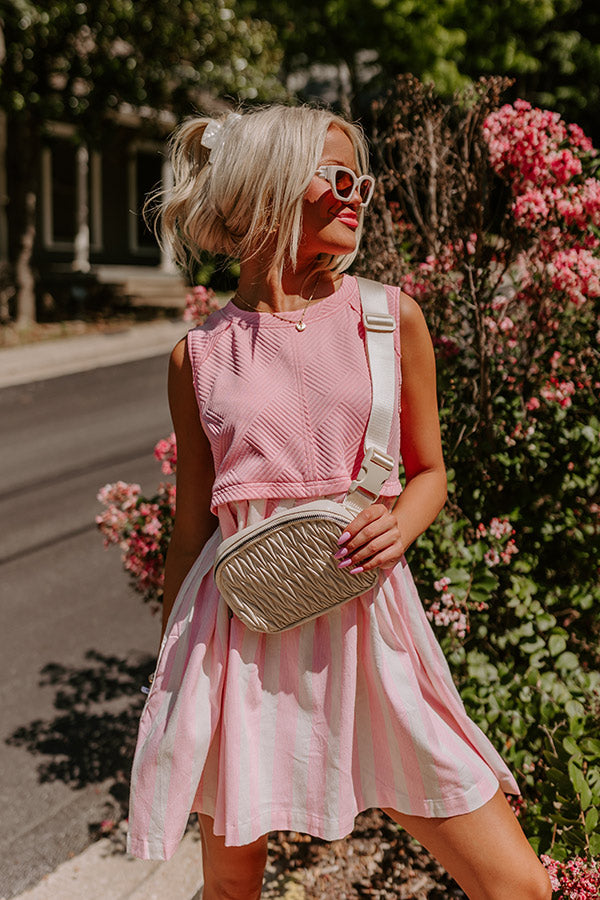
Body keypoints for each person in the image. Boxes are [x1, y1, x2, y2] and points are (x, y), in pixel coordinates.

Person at [127, 104, 552, 900]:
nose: (359, 195)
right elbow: (190, 531)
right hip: (238, 642)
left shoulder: (391, 319)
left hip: (371, 626)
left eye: (365, 180)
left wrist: (403, 523)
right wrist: (174, 677)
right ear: (269, 188)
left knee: (517, 886)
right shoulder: (199, 356)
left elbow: (429, 472)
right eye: (339, 176)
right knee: (230, 889)